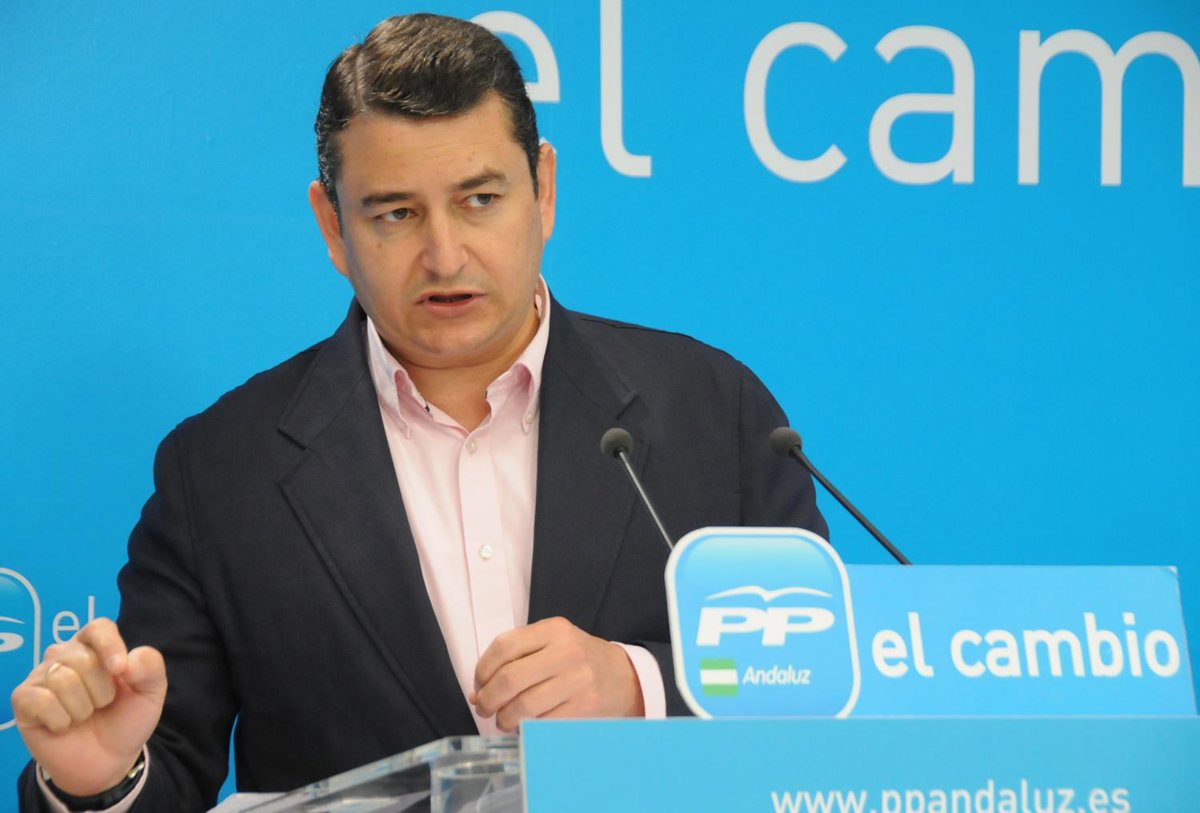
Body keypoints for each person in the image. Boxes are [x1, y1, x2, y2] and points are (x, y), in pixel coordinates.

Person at [11, 13, 826, 812]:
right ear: (333, 226)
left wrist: (638, 684)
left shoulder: (714, 412)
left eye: (480, 199)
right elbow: (160, 757)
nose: (444, 254)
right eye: (395, 213)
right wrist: (98, 782)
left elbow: (818, 688)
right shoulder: (221, 471)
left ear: (543, 190)